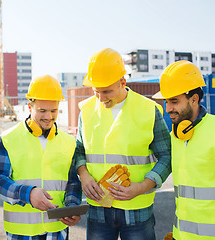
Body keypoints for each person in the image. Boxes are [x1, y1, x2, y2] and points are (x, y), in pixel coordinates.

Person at [140, 60, 215, 239]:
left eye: (174, 101)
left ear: (194, 99)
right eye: (166, 101)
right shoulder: (175, 136)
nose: (168, 109)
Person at [75, 48, 171, 239]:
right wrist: (84, 175)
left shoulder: (149, 109)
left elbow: (167, 156)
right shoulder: (86, 111)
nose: (101, 98)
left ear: (123, 82)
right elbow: (78, 150)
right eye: (96, 92)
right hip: (98, 208)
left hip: (137, 209)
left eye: (107, 91)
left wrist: (142, 186)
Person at [0, 75, 82, 240]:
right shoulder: (8, 139)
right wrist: (27, 194)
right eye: (42, 111)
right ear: (30, 107)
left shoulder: (69, 142)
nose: (48, 117)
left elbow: (73, 182)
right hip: (22, 233)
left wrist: (72, 207)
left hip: (57, 230)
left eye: (53, 111)